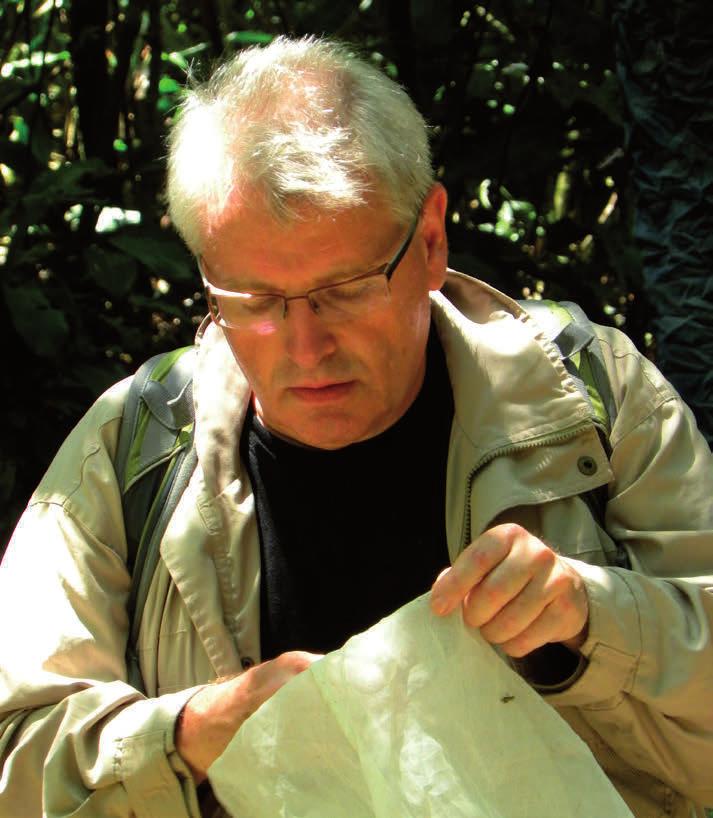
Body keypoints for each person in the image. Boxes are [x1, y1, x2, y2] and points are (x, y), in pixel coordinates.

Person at [0, 35, 711, 818]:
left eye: (345, 288)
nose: (306, 348)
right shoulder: (130, 445)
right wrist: (189, 736)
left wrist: (592, 619)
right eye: (253, 301)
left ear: (431, 239)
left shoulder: (585, 397)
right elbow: (15, 753)